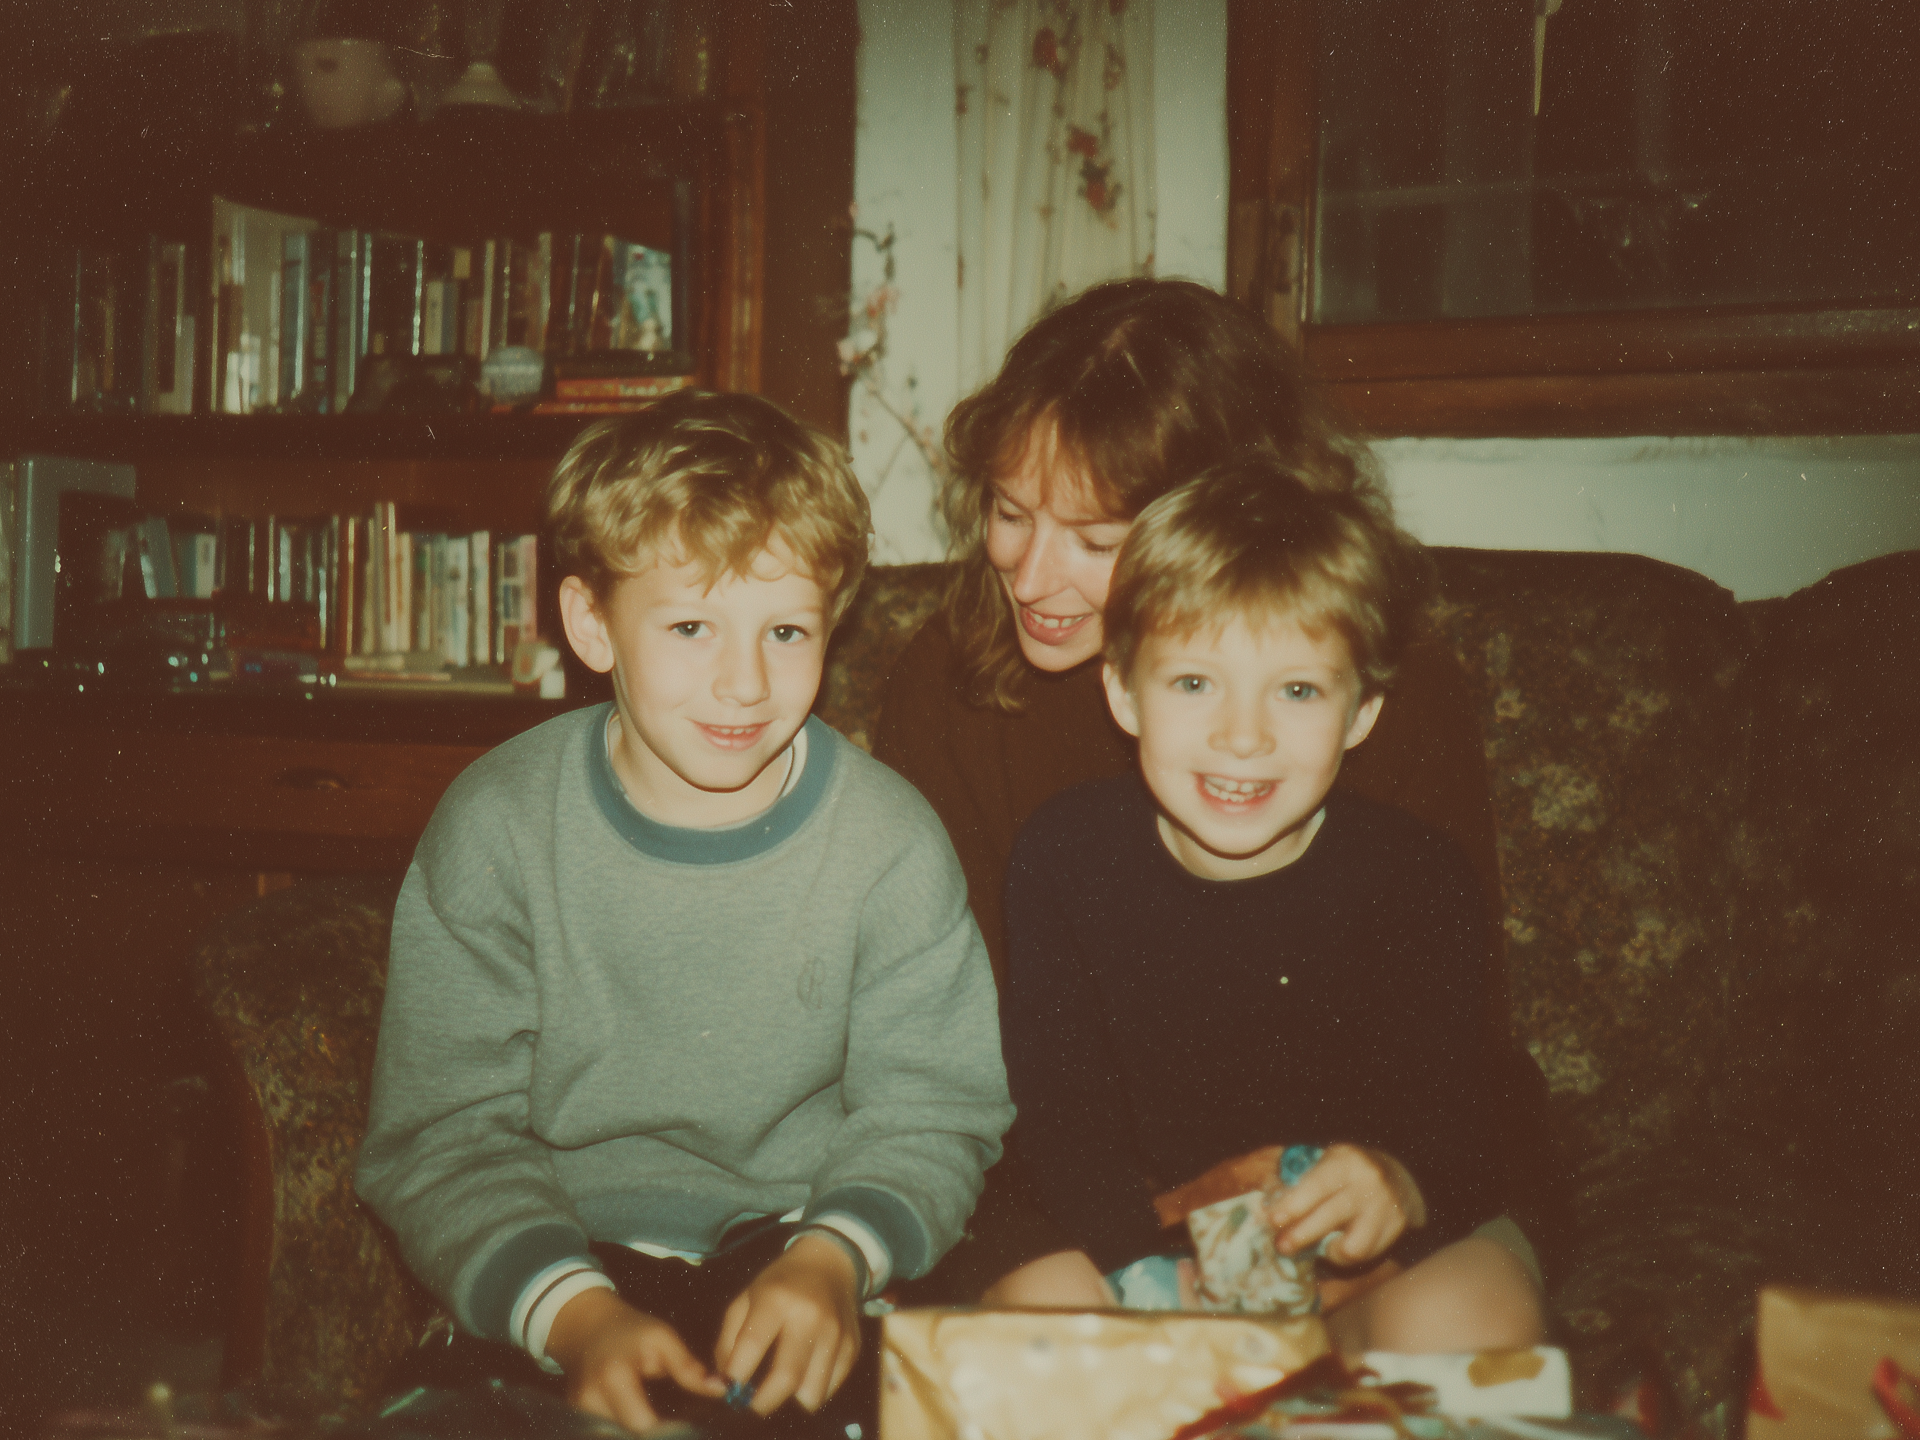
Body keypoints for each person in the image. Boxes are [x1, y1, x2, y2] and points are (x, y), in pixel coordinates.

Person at [873, 278, 1557, 1303]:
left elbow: (1449, 1038)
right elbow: (981, 1048)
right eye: (1010, 514)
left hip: (1351, 1166)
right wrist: (1151, 1239)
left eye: (1098, 542)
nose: (1029, 574)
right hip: (1078, 1174)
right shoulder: (950, 680)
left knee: (1446, 1320)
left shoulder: (1382, 685)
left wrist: (1349, 1197)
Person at [355, 390, 1014, 1436]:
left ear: (832, 623)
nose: (744, 681)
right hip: (564, 1258)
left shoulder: (890, 842)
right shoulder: (497, 825)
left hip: (803, 1247)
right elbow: (442, 1137)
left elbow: (933, 1110)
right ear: (591, 624)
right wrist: (574, 1317)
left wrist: (836, 1258)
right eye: (692, 624)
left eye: (786, 628)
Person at [998, 458, 1548, 1355]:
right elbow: (1062, 1119)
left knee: (1471, 1317)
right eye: (1193, 684)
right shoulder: (1064, 855)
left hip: (1377, 1241)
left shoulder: (1418, 877)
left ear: (1362, 711)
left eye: (1296, 691)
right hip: (1151, 1242)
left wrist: (1402, 1188)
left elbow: (1458, 1123)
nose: (1243, 736)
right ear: (1121, 692)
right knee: (1036, 1323)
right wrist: (1143, 1277)